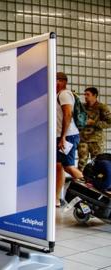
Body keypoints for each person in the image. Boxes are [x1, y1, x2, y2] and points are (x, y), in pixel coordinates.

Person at [56, 72, 83, 207]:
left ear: (62, 81)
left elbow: (68, 114)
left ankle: (91, 190)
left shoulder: (64, 94)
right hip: (62, 135)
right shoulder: (58, 95)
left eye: (55, 80)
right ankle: (56, 198)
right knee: (59, 166)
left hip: (68, 135)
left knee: (68, 166)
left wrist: (63, 137)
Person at [78, 87, 111, 171]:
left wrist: (94, 123)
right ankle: (79, 182)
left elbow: (109, 123)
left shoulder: (102, 107)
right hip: (83, 140)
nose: (85, 96)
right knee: (81, 163)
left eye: (87, 94)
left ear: (95, 95)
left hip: (96, 141)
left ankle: (95, 182)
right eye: (84, 94)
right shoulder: (82, 107)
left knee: (97, 163)